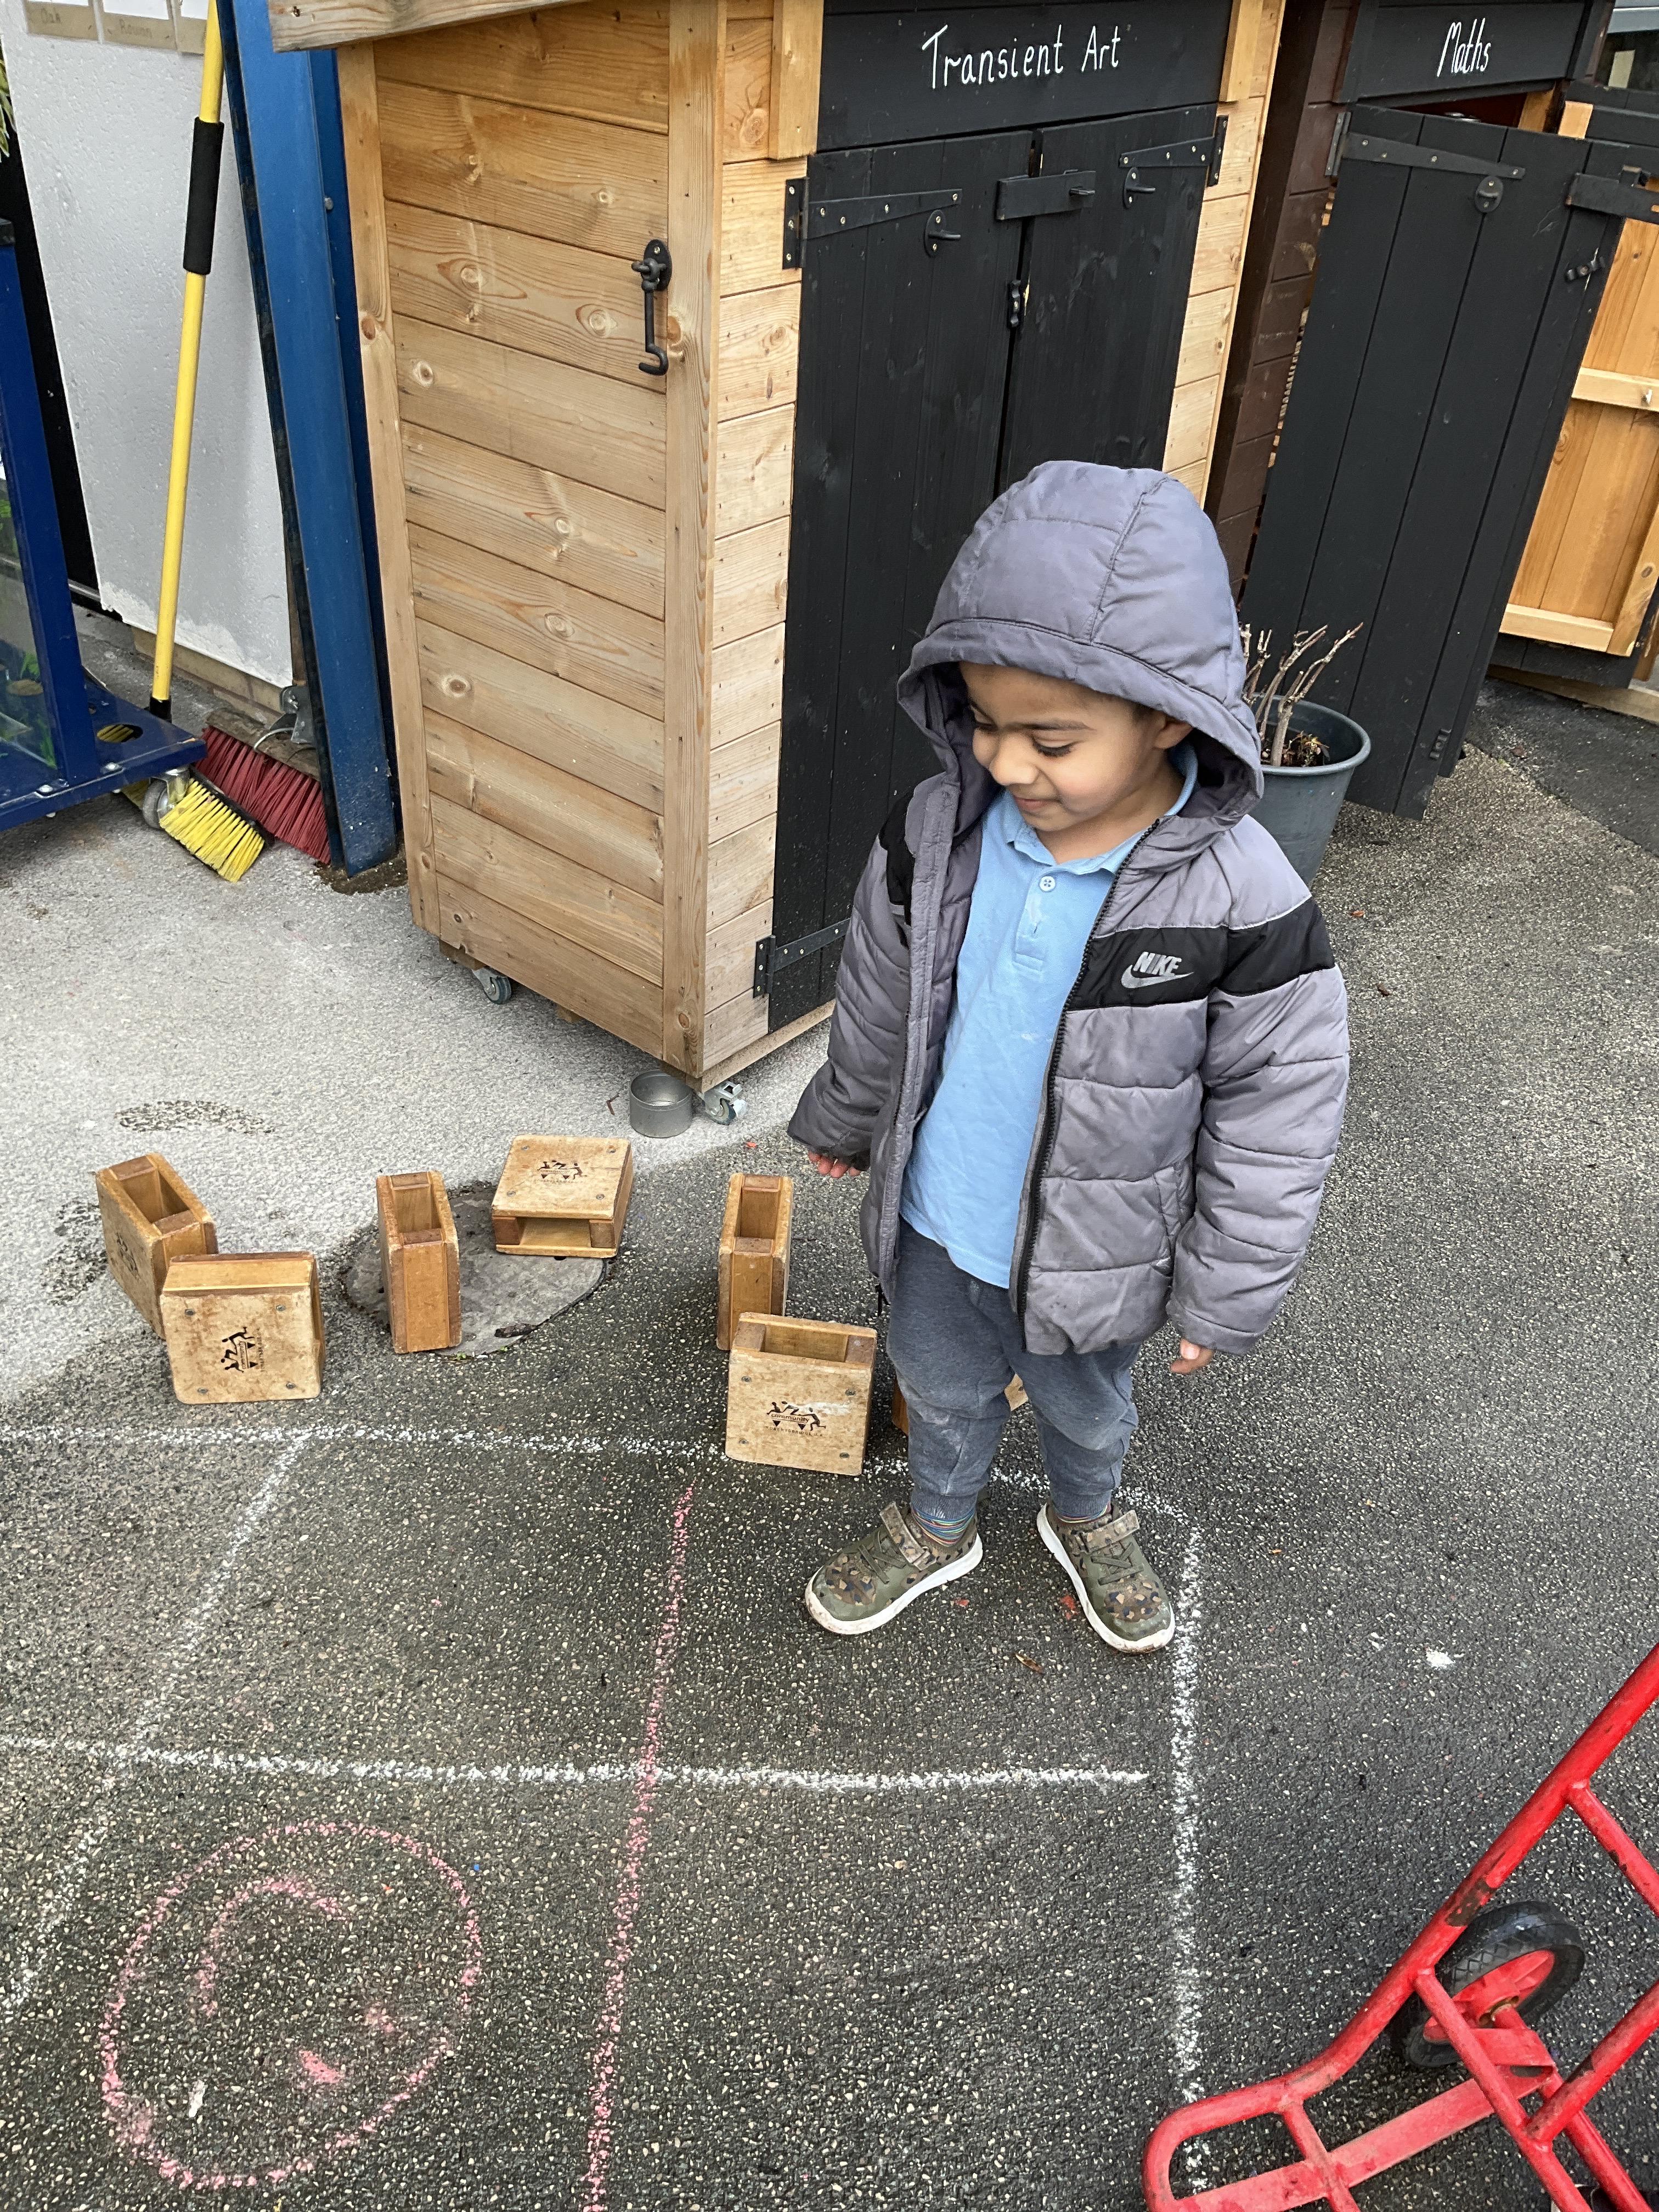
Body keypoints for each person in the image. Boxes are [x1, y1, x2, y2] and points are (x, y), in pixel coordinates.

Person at [787, 462, 1350, 1651]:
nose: (1005, 764)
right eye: (985, 722)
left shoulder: (1244, 897)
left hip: (1104, 1243)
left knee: (1087, 1407)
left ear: (1168, 718)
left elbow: (1279, 1111)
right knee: (938, 1383)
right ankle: (939, 1520)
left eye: (1050, 739)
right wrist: (847, 1113)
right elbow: (881, 993)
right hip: (941, 1213)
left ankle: (1086, 1512)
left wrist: (1227, 1286)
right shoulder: (936, 833)